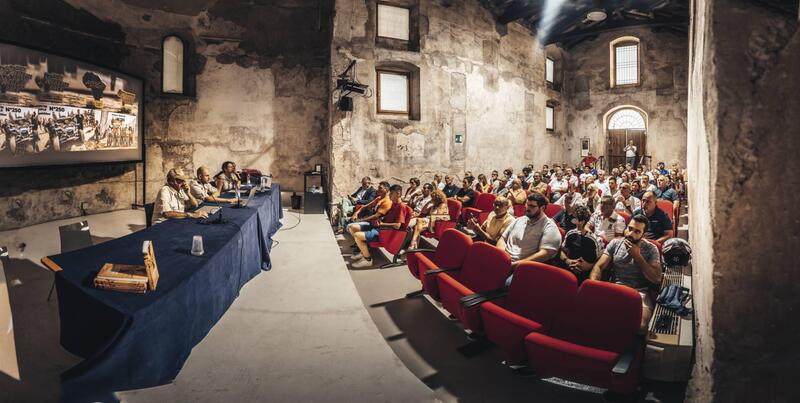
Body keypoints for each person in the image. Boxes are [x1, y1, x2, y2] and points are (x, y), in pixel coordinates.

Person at [589, 215, 663, 332]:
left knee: (641, 327)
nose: (630, 234)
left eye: (637, 231)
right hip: (616, 288)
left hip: (640, 292)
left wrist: (638, 256)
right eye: (630, 228)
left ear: (643, 235)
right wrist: (594, 287)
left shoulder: (651, 249)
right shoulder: (615, 243)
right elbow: (598, 266)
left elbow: (656, 278)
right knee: (596, 317)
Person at [497, 192, 562, 285]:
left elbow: (545, 253)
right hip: (505, 261)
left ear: (542, 208)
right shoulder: (519, 220)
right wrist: (502, 257)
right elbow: (503, 239)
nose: (527, 208)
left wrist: (516, 264)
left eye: (532, 206)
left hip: (524, 267)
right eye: (527, 204)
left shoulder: (549, 227)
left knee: (505, 284)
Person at [351, 185, 408, 268]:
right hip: (380, 228)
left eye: (391, 193)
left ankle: (368, 260)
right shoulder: (394, 204)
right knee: (353, 227)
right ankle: (363, 253)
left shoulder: (401, 207)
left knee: (357, 235)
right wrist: (380, 220)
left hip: (384, 233)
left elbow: (397, 225)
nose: (389, 195)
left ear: (398, 193)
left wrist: (382, 224)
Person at [559, 205, 604, 283]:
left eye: (575, 219)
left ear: (582, 222)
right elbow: (562, 251)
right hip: (569, 271)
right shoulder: (571, 234)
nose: (572, 221)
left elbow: (599, 262)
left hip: (587, 276)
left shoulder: (595, 240)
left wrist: (583, 267)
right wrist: (568, 261)